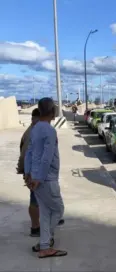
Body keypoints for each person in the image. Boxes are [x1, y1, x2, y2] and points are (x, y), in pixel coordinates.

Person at [24, 98, 67, 258]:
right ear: (51, 111)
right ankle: (46, 240)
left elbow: (29, 152)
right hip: (46, 180)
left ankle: (44, 245)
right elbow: (46, 158)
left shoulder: (35, 129)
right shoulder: (49, 130)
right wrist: (39, 178)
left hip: (36, 178)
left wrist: (28, 174)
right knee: (58, 210)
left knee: (46, 213)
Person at [17, 109, 41, 237]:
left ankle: (36, 225)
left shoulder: (28, 131)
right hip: (33, 172)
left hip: (29, 171)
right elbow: (26, 153)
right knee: (35, 200)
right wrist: (29, 173)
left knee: (36, 199)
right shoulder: (34, 132)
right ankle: (35, 227)